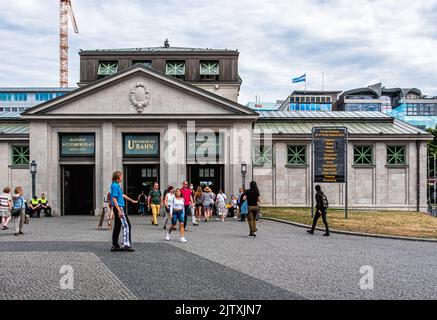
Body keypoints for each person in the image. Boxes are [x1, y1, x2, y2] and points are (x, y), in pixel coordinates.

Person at [110, 171, 138, 252]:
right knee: (127, 225)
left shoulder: (116, 185)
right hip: (119, 208)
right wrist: (119, 211)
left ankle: (115, 245)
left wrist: (132, 201)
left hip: (118, 207)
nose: (122, 177)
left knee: (117, 226)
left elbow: (122, 195)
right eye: (121, 176)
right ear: (118, 178)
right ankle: (126, 244)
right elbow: (114, 199)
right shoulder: (115, 186)